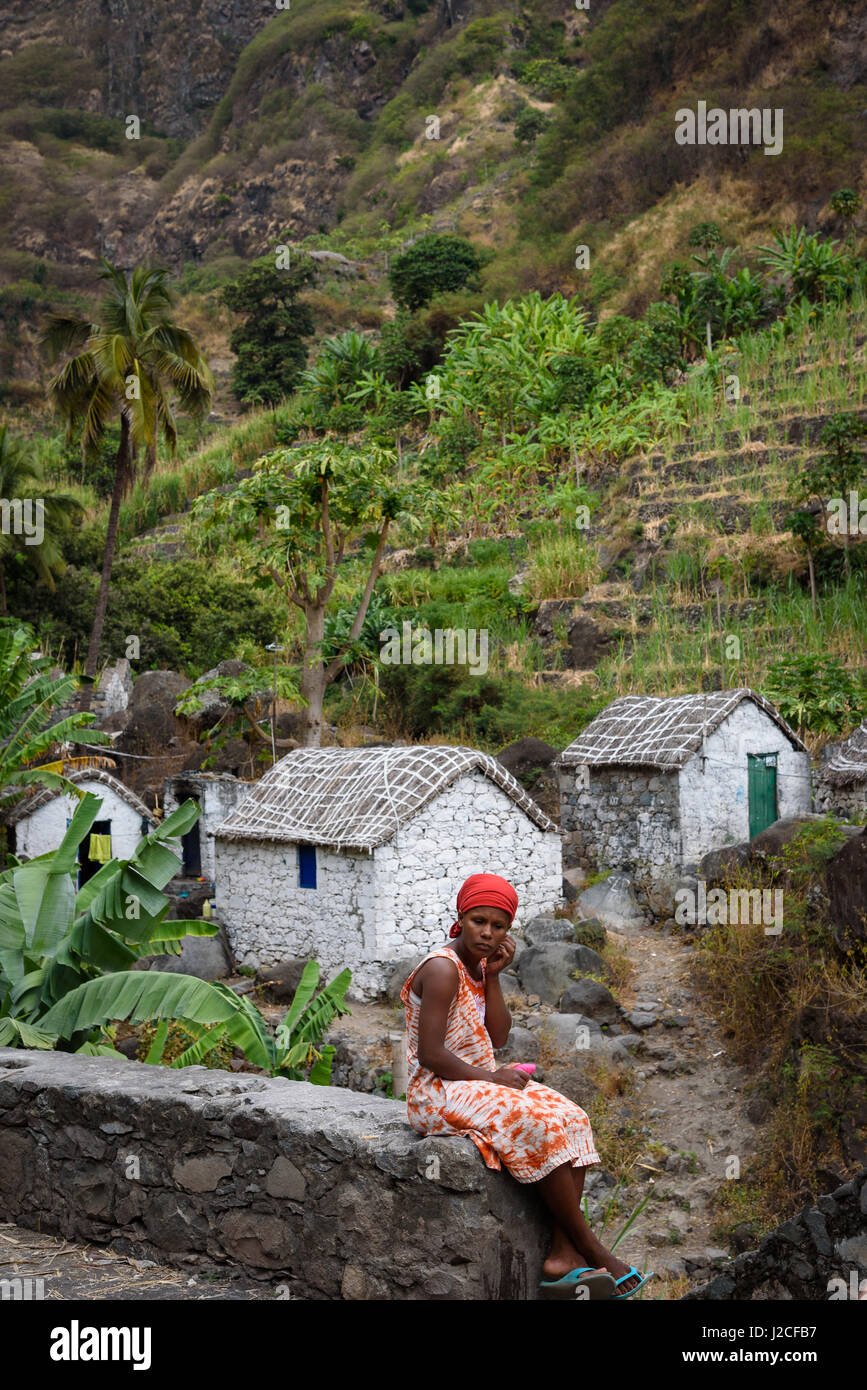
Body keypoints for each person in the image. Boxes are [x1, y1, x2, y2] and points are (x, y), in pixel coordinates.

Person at [401, 872, 652, 1300]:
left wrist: (494, 976)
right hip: (436, 1091)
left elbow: (498, 1038)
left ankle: (561, 1254)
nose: (487, 932)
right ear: (460, 917)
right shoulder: (442, 969)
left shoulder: (479, 967)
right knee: (532, 1120)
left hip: (474, 1083)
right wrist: (494, 1077)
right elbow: (430, 1055)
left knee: (572, 1116)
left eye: (499, 926)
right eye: (479, 921)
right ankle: (591, 1247)